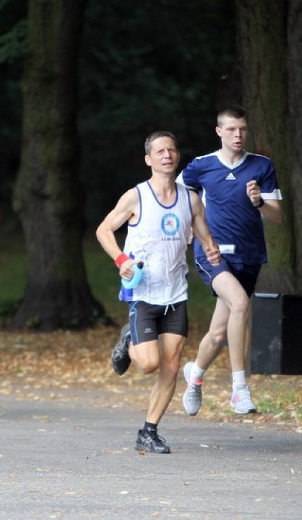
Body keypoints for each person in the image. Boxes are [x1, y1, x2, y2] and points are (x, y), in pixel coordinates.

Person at [96, 130, 220, 454]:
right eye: (160, 151)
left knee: (171, 365)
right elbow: (104, 229)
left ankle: (148, 431)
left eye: (172, 149)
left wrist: (211, 249)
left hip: (176, 294)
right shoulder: (136, 197)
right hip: (144, 293)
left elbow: (203, 232)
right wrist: (120, 259)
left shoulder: (190, 198)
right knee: (149, 364)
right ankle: (128, 339)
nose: (167, 154)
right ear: (149, 160)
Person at [176, 105, 282, 416]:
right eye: (232, 129)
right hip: (212, 253)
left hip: (249, 256)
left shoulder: (262, 166)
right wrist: (192, 234)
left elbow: (277, 217)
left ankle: (194, 376)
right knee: (241, 305)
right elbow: (180, 203)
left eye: (243, 129)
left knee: (220, 332)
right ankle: (240, 390)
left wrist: (259, 201)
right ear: (219, 131)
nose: (238, 135)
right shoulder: (200, 167)